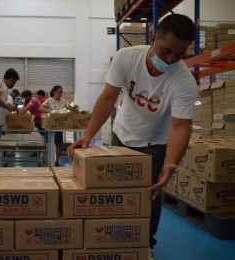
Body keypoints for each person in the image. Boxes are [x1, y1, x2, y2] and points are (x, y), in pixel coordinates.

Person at [67, 14, 196, 260]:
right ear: (153, 37)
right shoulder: (127, 58)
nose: (169, 59)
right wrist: (88, 136)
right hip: (122, 136)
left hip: (156, 144)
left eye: (178, 55)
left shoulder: (184, 82)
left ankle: (145, 243)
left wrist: (170, 165)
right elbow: (107, 98)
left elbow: (180, 126)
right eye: (165, 50)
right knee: (116, 191)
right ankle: (112, 236)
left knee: (150, 196)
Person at [40, 85, 77, 166]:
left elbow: (70, 108)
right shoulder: (49, 100)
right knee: (48, 143)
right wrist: (50, 111)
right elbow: (41, 108)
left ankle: (57, 161)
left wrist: (74, 108)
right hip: (50, 126)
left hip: (60, 126)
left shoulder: (63, 101)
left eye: (61, 92)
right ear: (54, 92)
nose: (60, 94)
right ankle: (46, 160)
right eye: (59, 92)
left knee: (59, 144)